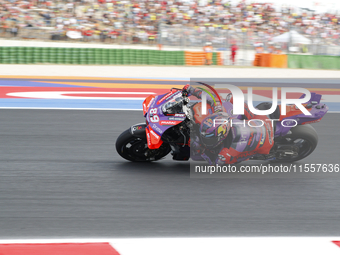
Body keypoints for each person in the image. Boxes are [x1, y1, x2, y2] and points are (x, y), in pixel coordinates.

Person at [183, 85, 274, 165]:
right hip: (257, 123)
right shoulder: (221, 115)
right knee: (231, 99)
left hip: (266, 139)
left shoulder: (226, 152)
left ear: (220, 137)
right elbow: (212, 97)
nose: (206, 140)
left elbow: (214, 163)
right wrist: (192, 90)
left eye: (209, 139)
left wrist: (202, 151)